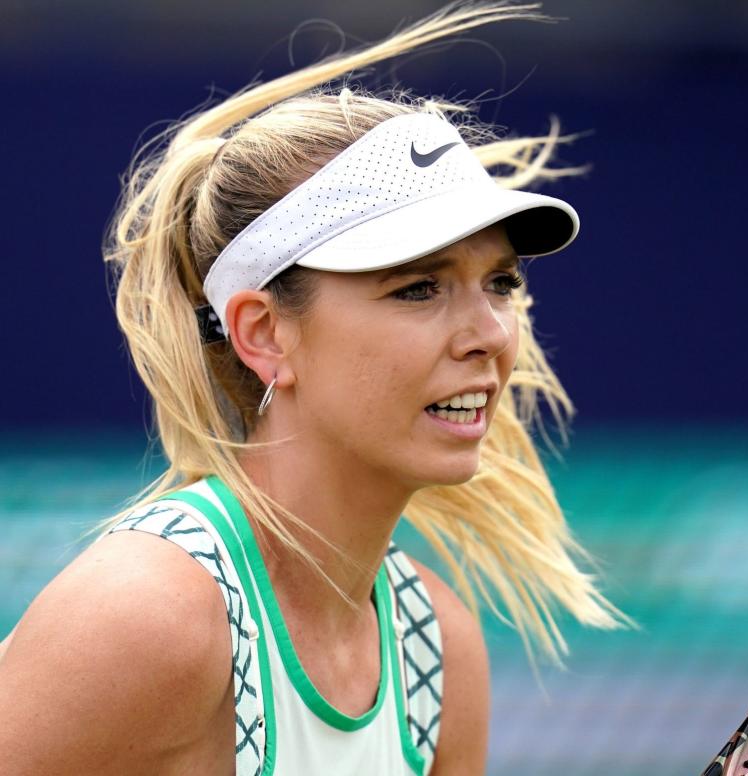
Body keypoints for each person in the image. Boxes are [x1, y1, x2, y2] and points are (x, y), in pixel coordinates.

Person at [0, 2, 624, 774]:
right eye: (417, 288)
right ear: (263, 332)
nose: (491, 334)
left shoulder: (440, 649)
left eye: (498, 282)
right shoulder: (145, 620)